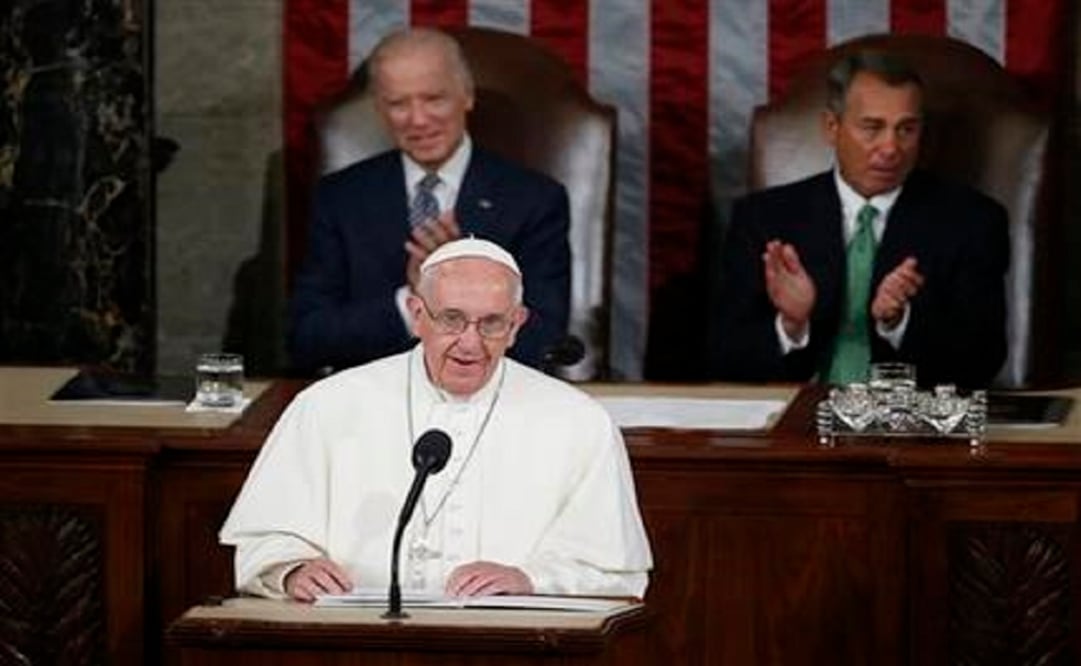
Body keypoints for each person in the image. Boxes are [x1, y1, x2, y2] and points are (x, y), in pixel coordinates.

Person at [221, 238, 651, 601]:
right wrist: (292, 570)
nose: (470, 343)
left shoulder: (577, 421)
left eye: (492, 324)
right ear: (417, 313)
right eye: (451, 319)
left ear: (517, 324)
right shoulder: (328, 405)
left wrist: (531, 580)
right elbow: (264, 537)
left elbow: (618, 571)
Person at [711, 50, 1008, 389]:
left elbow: (983, 359)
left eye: (906, 129)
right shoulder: (764, 218)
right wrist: (791, 326)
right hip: (794, 425)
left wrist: (899, 323)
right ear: (832, 127)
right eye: (872, 127)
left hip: (905, 428)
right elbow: (726, 358)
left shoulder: (972, 221)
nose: (891, 147)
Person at [287, 27, 571, 374]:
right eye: (398, 104)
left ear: (466, 96)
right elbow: (308, 337)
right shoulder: (340, 198)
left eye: (434, 98)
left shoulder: (534, 200)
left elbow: (544, 340)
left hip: (492, 402)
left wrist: (459, 288)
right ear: (379, 108)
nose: (418, 120)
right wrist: (412, 301)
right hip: (372, 399)